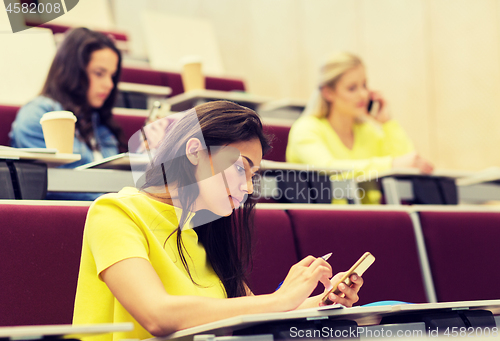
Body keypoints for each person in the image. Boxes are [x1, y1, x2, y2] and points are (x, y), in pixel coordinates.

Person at [72, 101, 364, 341]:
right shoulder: (114, 212)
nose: (249, 188)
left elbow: (246, 312)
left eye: (253, 176)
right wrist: (282, 298)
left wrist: (325, 301)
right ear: (194, 152)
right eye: (240, 168)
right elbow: (158, 316)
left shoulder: (203, 230)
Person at [286, 52, 433, 203]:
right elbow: (328, 168)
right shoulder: (306, 129)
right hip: (324, 221)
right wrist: (390, 164)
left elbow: (410, 163)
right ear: (328, 93)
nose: (363, 94)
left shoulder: (368, 131)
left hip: (370, 221)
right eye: (352, 88)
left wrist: (388, 123)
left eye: (364, 85)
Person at [9, 27, 125, 199]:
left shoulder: (98, 120)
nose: (109, 84)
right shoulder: (39, 115)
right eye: (99, 73)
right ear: (73, 71)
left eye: (112, 76)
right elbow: (56, 186)